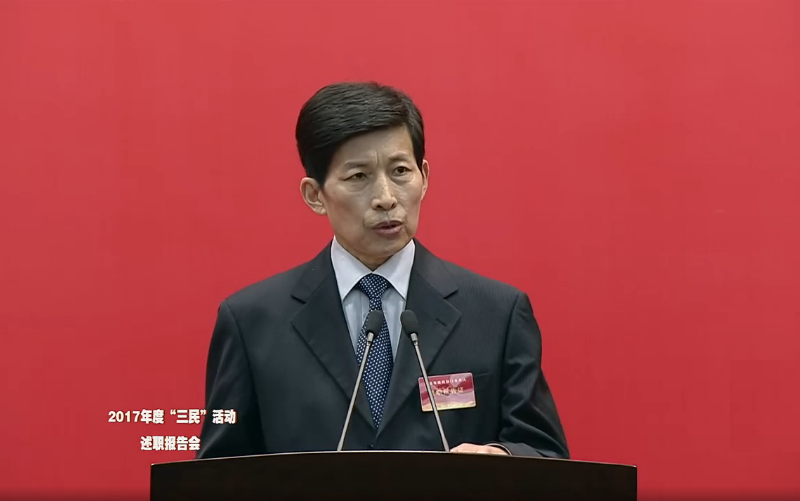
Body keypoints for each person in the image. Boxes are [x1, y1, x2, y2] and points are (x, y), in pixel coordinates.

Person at [196, 82, 569, 458]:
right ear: (315, 195)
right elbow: (217, 472)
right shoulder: (252, 323)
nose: (386, 198)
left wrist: (501, 459)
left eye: (400, 171)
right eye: (358, 177)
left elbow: (545, 454)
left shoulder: (497, 313)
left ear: (424, 177)